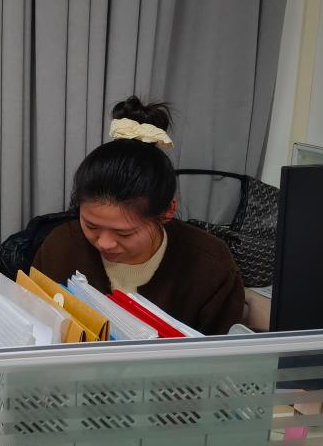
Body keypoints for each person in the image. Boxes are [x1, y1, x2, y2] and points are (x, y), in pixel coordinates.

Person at [33, 96, 245, 335]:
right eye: (91, 226)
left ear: (167, 212)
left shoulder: (211, 267)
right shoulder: (61, 246)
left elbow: (223, 352)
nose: (104, 243)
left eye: (124, 233)